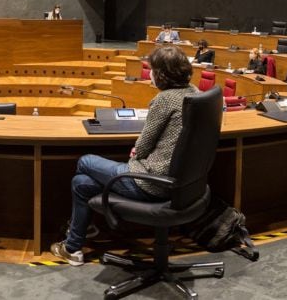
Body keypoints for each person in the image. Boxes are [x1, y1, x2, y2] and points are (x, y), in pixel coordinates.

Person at [51, 45, 198, 266]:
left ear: (161, 74)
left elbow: (143, 145)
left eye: (152, 70)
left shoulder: (164, 100)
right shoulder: (195, 93)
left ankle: (74, 242)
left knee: (85, 161)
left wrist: (137, 154)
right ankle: (75, 244)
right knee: (81, 183)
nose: (149, 75)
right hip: (183, 185)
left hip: (151, 184)